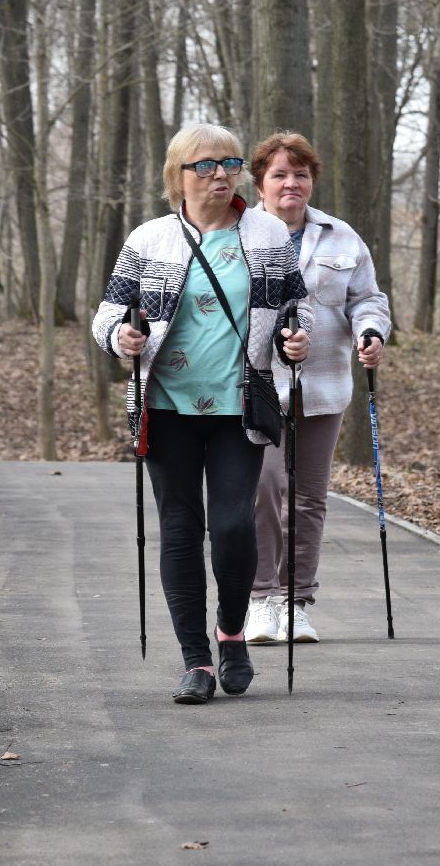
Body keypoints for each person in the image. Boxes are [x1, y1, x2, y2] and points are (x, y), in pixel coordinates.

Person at [92, 122, 311, 705]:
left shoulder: (267, 235)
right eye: (207, 165)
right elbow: (106, 316)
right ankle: (196, 661)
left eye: (231, 163)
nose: (221, 174)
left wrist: (296, 337)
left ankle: (232, 633)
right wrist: (122, 337)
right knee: (181, 531)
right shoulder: (149, 240)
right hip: (165, 407)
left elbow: (296, 308)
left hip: (243, 402)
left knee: (235, 525)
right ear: (179, 176)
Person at [246, 132, 391, 645]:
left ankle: (297, 601)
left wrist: (370, 332)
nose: (292, 183)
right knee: (263, 489)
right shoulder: (241, 235)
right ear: (260, 182)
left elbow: (368, 299)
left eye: (301, 174)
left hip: (323, 385)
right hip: (255, 388)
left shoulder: (341, 237)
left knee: (308, 498)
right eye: (280, 174)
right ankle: (260, 598)